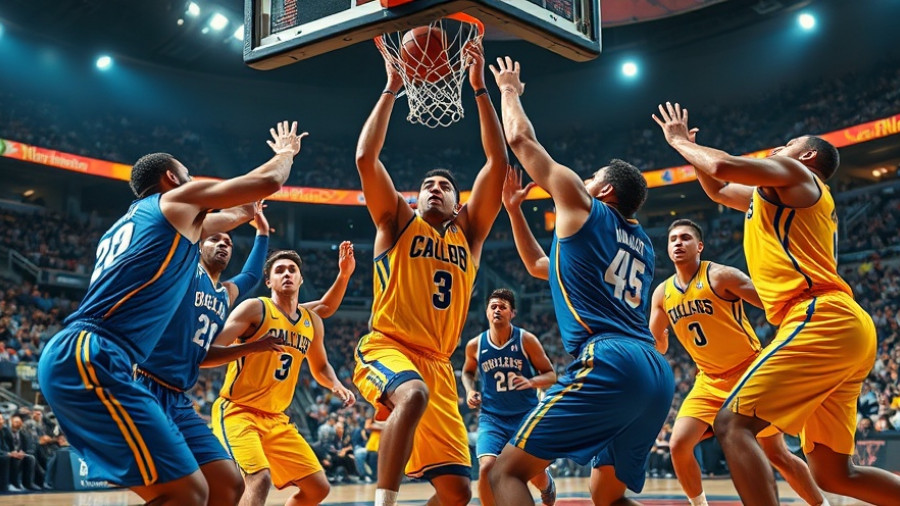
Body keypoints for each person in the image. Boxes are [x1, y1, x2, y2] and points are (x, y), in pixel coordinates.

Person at [36, 120, 306, 504]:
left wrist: (252, 217)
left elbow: (230, 218)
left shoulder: (141, 223)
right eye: (188, 175)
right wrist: (286, 153)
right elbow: (269, 181)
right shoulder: (175, 202)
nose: (193, 180)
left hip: (108, 359)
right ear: (172, 178)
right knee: (187, 493)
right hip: (95, 353)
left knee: (226, 485)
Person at [653, 101, 900, 505]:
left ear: (807, 156)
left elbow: (722, 167)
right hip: (840, 327)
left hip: (819, 316)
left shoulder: (797, 173)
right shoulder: (776, 195)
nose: (778, 148)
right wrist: (694, 154)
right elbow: (717, 188)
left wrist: (679, 142)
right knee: (835, 474)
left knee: (732, 424)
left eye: (788, 144)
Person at [488, 57, 674, 506]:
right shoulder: (643, 246)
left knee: (505, 472)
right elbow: (540, 265)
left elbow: (520, 139)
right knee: (606, 497)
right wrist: (514, 212)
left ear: (605, 190)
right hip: (655, 372)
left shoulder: (584, 204)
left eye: (593, 178)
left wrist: (509, 88)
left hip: (610, 359)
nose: (584, 180)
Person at [352, 40, 508, 506]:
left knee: (457, 494)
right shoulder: (397, 222)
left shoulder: (469, 235)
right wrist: (391, 88)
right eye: (427, 185)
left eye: (444, 186)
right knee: (412, 394)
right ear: (415, 198)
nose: (434, 189)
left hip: (439, 364)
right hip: (389, 346)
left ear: (459, 203)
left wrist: (479, 88)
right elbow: (365, 159)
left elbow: (498, 163)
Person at [648, 219, 825, 506]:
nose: (678, 243)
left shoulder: (722, 276)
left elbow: (772, 304)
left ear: (700, 246)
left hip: (748, 373)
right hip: (708, 380)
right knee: (678, 444)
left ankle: (820, 504)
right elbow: (658, 344)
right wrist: (657, 343)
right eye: (673, 239)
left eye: (685, 238)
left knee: (776, 454)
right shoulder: (662, 293)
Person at [209, 250, 356, 506]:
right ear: (268, 282)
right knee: (259, 479)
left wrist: (336, 384)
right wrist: (253, 347)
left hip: (276, 418)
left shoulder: (311, 322)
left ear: (300, 279)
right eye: (279, 270)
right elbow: (209, 353)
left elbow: (321, 367)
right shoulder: (255, 308)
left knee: (317, 488)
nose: (286, 274)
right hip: (238, 411)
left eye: (292, 270)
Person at [462, 288, 557, 506]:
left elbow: (551, 375)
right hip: (492, 418)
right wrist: (469, 390)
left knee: (533, 474)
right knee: (486, 469)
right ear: (487, 312)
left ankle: (547, 485)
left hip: (525, 416)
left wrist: (531, 382)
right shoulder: (475, 345)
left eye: (502, 307)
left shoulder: (526, 340)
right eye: (493, 306)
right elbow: (467, 372)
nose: (497, 310)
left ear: (512, 313)